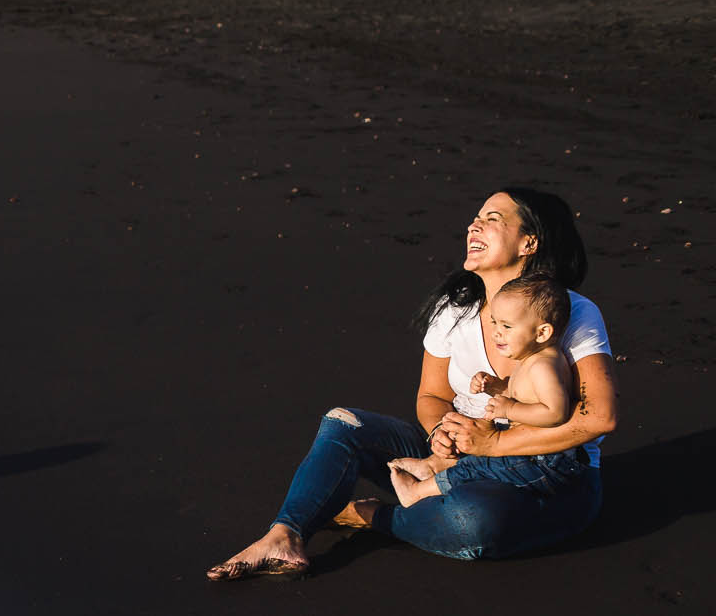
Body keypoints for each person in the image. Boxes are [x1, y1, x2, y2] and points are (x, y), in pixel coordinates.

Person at [207, 188, 617, 579]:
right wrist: (442, 432)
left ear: (529, 243)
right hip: (453, 458)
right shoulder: (455, 309)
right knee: (343, 423)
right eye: (474, 219)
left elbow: (599, 418)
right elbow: (432, 396)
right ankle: (286, 535)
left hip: (545, 480)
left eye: (491, 220)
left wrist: (492, 444)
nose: (473, 227)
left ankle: (373, 516)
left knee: (472, 521)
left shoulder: (572, 314)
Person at [387, 275, 582, 506]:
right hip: (530, 455)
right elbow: (526, 394)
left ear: (542, 333)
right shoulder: (532, 359)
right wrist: (496, 387)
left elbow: (555, 412)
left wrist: (510, 409)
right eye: (495, 323)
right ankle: (433, 465)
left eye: (507, 326)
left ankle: (418, 492)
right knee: (477, 448)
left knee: (475, 466)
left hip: (544, 462)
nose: (497, 333)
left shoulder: (543, 367)